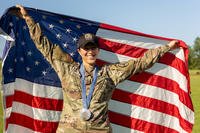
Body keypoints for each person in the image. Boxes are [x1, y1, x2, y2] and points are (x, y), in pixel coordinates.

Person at [15, 5, 179, 133]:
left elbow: (140, 63)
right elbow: (45, 46)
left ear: (98, 50)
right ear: (80, 51)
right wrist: (28, 19)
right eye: (86, 48)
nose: (90, 51)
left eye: (93, 48)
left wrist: (166, 48)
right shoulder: (66, 68)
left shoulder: (110, 73)